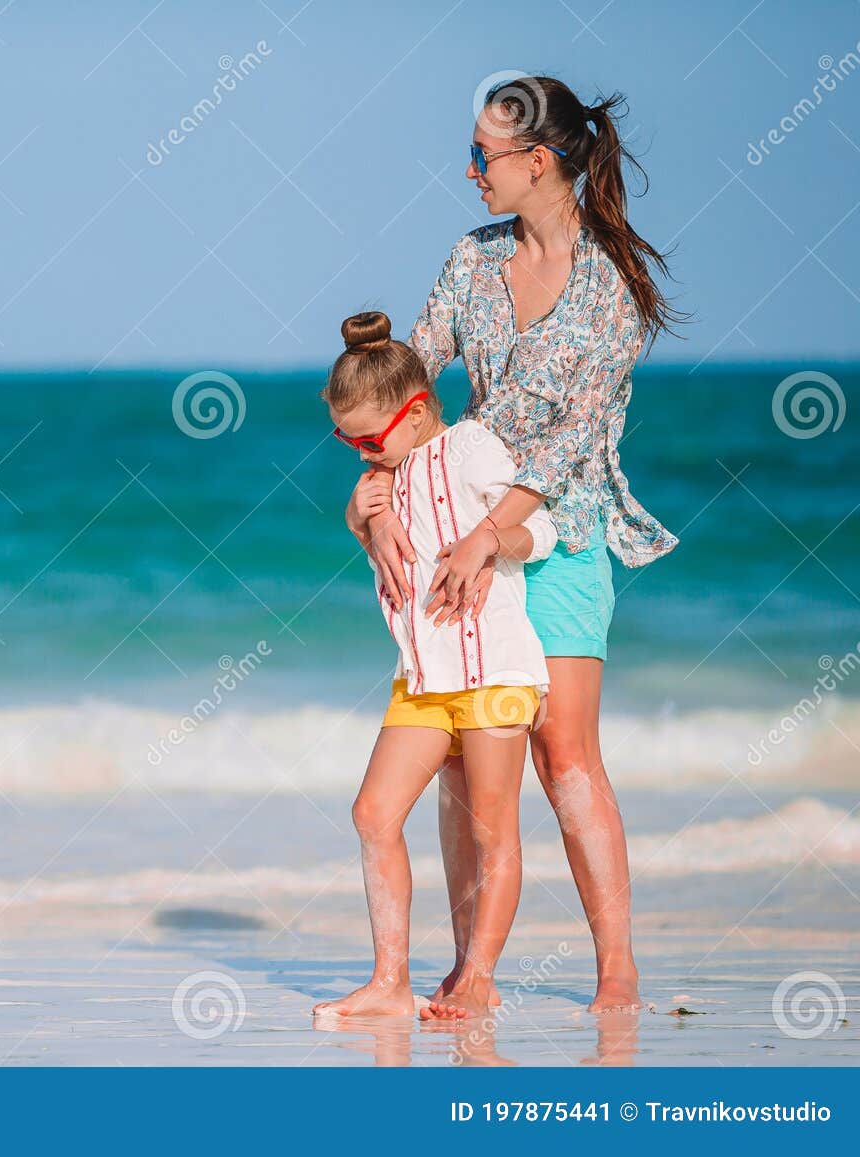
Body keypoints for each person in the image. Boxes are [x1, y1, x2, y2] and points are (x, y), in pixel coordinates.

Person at [350, 76, 681, 1014]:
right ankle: (473, 966)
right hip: (462, 524)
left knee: (564, 751)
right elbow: (408, 375)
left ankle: (615, 966)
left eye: (483, 156)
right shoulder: (472, 258)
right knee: (463, 746)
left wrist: (492, 540)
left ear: (539, 161)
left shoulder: (612, 287)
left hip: (562, 532)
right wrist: (373, 490)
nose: (468, 170)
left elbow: (573, 442)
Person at [314, 311, 556, 1021]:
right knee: (373, 813)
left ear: (416, 413)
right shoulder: (377, 481)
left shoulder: (474, 449)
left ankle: (477, 977)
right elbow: (392, 571)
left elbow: (542, 529)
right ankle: (390, 979)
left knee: (491, 829)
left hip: (495, 674)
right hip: (422, 679)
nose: (360, 452)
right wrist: (360, 523)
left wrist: (489, 543)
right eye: (346, 439)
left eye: (369, 438)